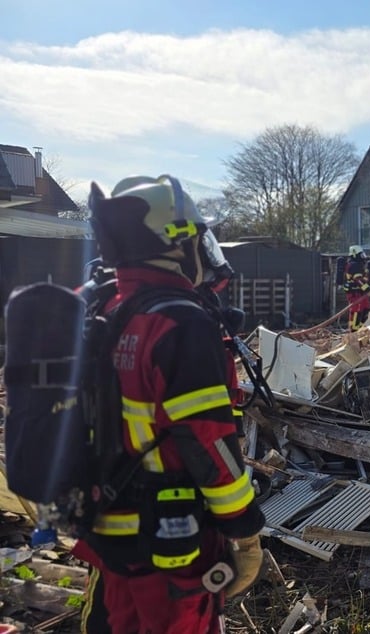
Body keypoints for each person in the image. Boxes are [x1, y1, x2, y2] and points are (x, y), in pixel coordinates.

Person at [74, 175, 265, 633]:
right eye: (200, 238)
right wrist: (244, 524)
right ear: (174, 245)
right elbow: (206, 439)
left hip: (110, 531)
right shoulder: (180, 322)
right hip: (171, 543)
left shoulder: (109, 309)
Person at [343, 244, 370, 331]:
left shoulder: (359, 265)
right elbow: (358, 280)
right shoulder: (354, 265)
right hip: (355, 293)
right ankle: (354, 330)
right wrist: (368, 289)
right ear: (355, 255)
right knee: (356, 311)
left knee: (366, 309)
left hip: (360, 293)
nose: (363, 257)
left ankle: (361, 329)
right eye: (361, 255)